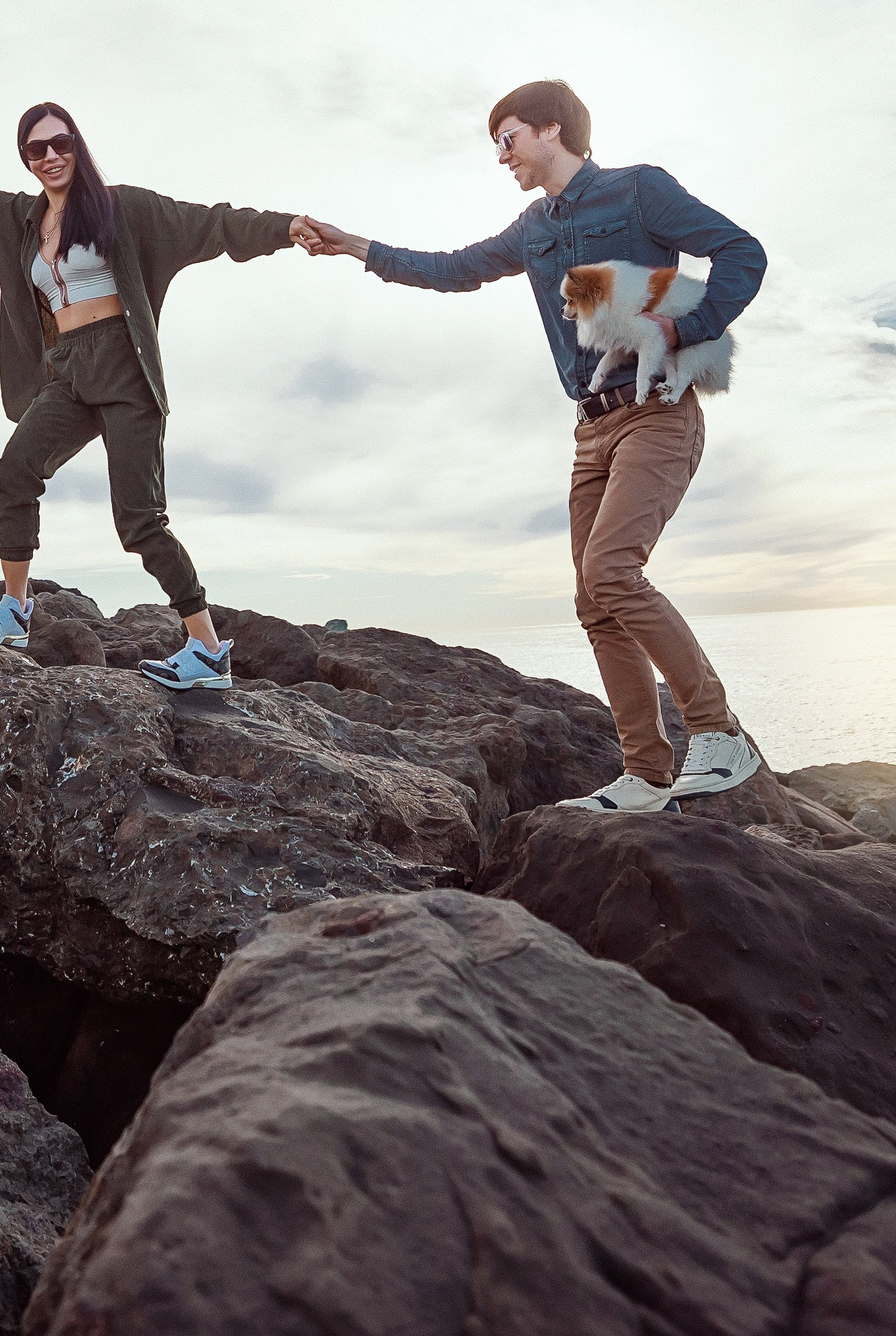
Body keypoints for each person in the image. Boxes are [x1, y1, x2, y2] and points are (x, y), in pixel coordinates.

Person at [295, 79, 769, 810]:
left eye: (506, 138)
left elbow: (742, 252)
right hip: (590, 428)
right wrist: (349, 244)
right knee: (593, 599)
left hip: (657, 411)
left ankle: (720, 733)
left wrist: (682, 327)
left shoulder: (639, 191)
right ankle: (645, 773)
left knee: (613, 568)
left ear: (551, 130)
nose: (500, 155)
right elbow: (451, 269)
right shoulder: (532, 227)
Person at [0, 87, 315, 690]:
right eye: (36, 149)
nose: (50, 156)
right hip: (67, 370)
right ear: (26, 159)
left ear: (77, 146)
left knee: (139, 522)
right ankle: (15, 609)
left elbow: (212, 223)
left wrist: (285, 227)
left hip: (123, 368)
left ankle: (207, 648)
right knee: (15, 470)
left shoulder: (122, 209)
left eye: (60, 143)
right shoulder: (21, 220)